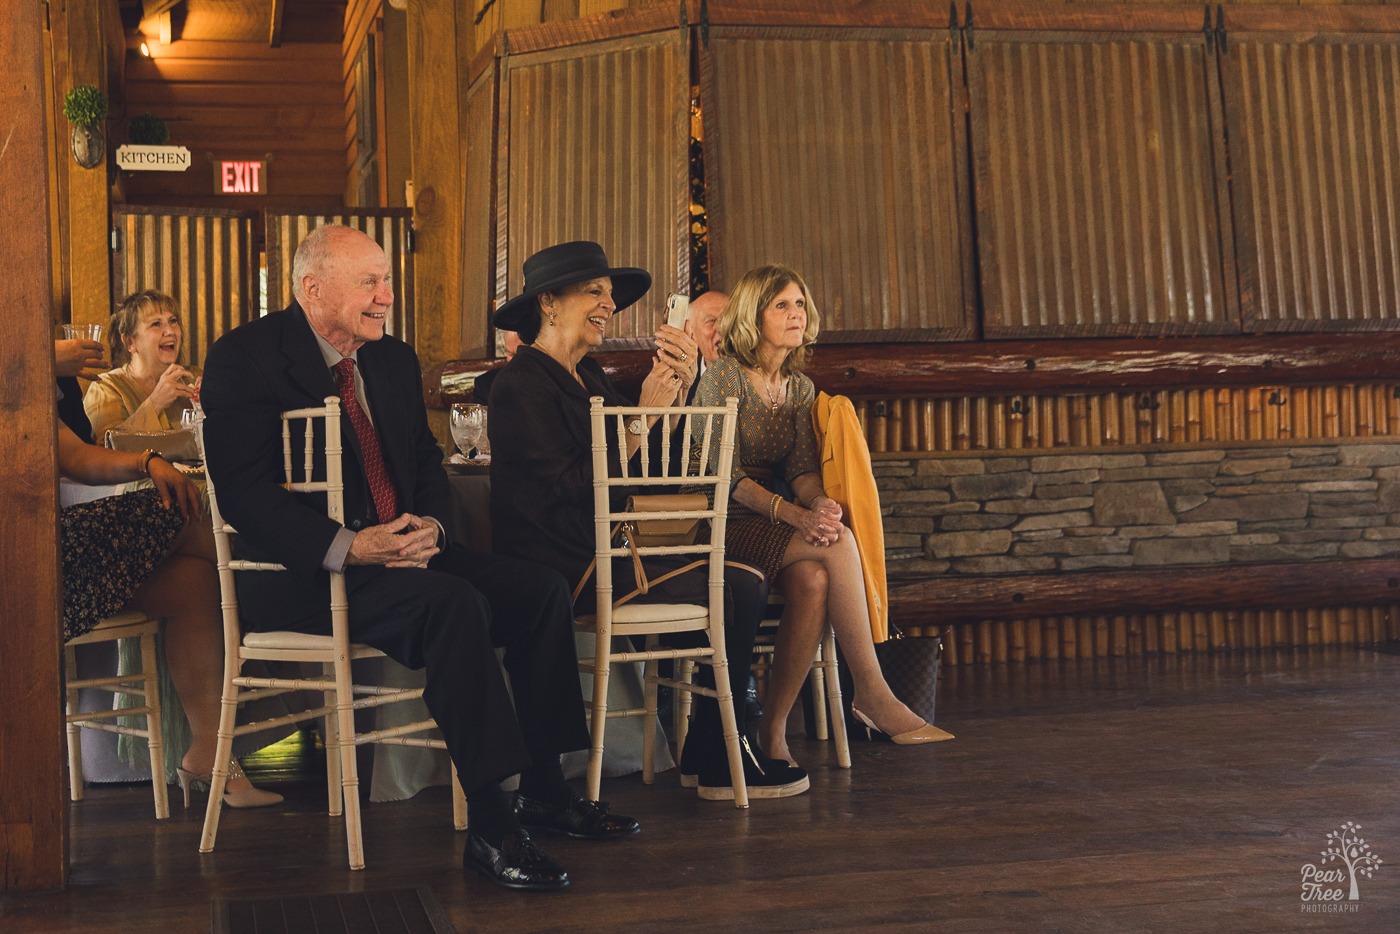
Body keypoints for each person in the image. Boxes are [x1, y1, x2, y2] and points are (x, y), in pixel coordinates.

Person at [199, 225, 634, 893]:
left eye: (387, 280)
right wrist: (351, 545)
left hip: (404, 551)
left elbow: (427, 464)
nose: (388, 295)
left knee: (539, 590)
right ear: (313, 289)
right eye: (370, 282)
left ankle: (545, 787)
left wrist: (430, 523)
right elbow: (246, 495)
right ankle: (492, 827)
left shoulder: (392, 360)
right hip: (308, 576)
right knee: (455, 604)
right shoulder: (246, 359)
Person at [487, 240, 807, 801]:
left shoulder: (588, 374)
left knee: (741, 578)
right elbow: (568, 489)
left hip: (616, 545)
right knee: (737, 584)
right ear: (547, 303)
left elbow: (653, 473)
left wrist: (678, 396)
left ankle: (713, 746)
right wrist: (643, 417)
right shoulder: (520, 383)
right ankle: (716, 748)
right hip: (566, 560)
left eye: (610, 295)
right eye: (594, 292)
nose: (609, 304)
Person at [692, 265, 952, 767]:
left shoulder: (800, 387)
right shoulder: (726, 376)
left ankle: (773, 731)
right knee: (838, 543)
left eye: (800, 304)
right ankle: (872, 691)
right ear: (753, 314)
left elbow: (803, 469)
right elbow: (716, 477)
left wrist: (818, 503)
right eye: (782, 305)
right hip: (719, 517)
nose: (797, 314)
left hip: (772, 519)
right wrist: (796, 515)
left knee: (813, 579)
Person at [55, 350, 281, 810]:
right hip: (39, 561)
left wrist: (148, 461)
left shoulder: (48, 377)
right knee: (185, 511)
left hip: (69, 550)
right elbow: (75, 459)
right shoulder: (17, 367)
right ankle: (284, 579)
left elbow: (74, 458)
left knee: (194, 583)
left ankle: (210, 756)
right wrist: (149, 460)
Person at [84, 290, 201, 442]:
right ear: (130, 342)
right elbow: (107, 451)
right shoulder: (105, 388)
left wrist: (216, 405)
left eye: (173, 321)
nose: (170, 331)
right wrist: (156, 402)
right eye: (156, 324)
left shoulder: (193, 377)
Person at [471, 329, 521, 405]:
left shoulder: (543, 382)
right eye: (511, 354)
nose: (515, 360)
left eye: (521, 354)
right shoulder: (486, 384)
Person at [684, 290, 727, 369]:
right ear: (692, 334)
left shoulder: (753, 377)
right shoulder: (685, 379)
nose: (722, 327)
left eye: (728, 319)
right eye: (711, 321)